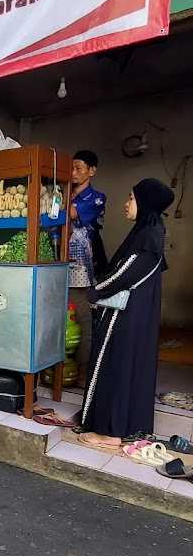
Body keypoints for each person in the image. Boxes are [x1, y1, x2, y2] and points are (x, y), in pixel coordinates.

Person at [80, 178, 175, 448]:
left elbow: (125, 274)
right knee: (124, 367)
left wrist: (96, 290)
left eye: (131, 198)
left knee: (116, 367)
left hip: (125, 315)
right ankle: (119, 427)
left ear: (145, 203)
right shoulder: (149, 231)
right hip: (134, 314)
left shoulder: (148, 236)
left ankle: (110, 432)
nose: (126, 204)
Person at [68, 151, 107, 386]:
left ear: (92, 171)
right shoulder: (64, 193)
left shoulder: (96, 198)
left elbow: (71, 215)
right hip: (58, 264)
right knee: (60, 319)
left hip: (82, 269)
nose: (73, 173)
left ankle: (83, 371)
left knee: (83, 319)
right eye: (70, 168)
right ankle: (60, 367)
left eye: (79, 168)